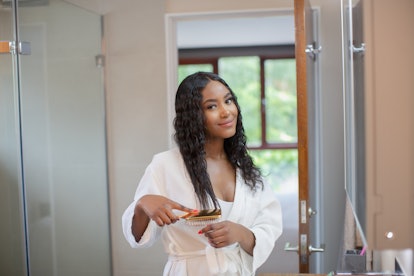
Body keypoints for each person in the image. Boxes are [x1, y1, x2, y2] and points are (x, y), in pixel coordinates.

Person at [122, 71, 283, 275]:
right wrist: (141, 205)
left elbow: (270, 225)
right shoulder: (166, 165)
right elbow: (138, 238)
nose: (226, 112)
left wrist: (242, 234)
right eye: (212, 106)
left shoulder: (246, 170)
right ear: (193, 115)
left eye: (228, 100)